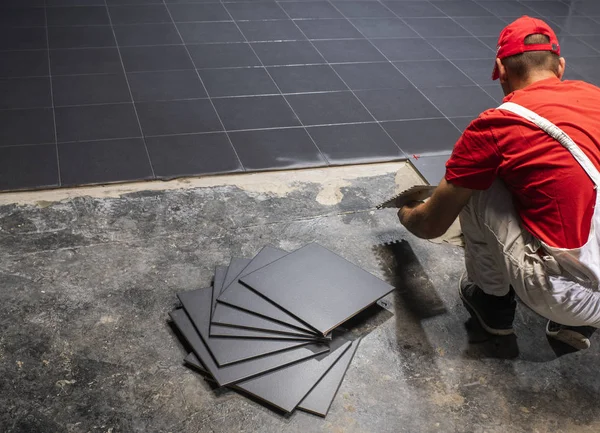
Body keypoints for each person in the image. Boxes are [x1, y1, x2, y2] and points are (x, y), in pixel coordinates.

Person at [398, 16, 600, 350]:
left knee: (478, 185)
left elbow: (432, 225)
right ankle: (575, 326)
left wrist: (407, 213)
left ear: (501, 70)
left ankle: (492, 304)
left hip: (569, 296)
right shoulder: (594, 96)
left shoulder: (496, 126)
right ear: (560, 66)